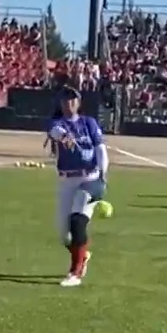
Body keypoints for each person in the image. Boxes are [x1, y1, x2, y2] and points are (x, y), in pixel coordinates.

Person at [47, 87, 108, 288]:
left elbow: (100, 149)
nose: (69, 103)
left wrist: (103, 174)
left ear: (79, 103)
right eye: (65, 100)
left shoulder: (89, 123)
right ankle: (83, 255)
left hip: (89, 178)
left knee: (77, 220)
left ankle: (75, 272)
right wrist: (64, 136)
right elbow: (55, 132)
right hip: (67, 180)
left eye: (73, 99)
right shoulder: (57, 122)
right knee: (65, 236)